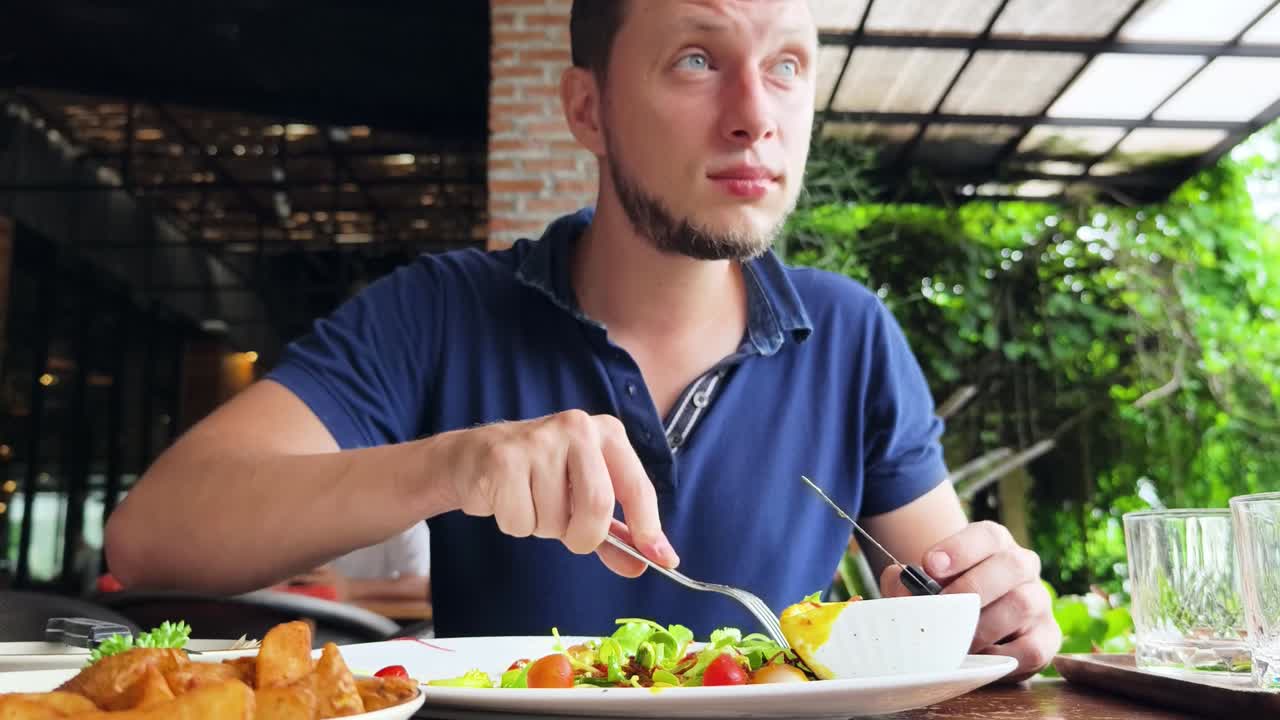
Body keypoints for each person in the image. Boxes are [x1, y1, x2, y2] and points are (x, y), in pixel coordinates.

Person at [104, 0, 1060, 681]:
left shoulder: (851, 334)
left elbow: (950, 604)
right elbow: (153, 539)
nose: (757, 116)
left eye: (787, 65)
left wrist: (994, 605)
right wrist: (456, 465)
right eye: (696, 57)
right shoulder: (441, 310)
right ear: (587, 109)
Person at [284, 522, 431, 604]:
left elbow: (424, 586)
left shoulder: (405, 517)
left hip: (380, 627)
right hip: (306, 614)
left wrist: (350, 588)